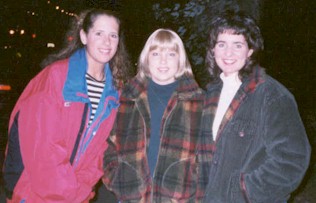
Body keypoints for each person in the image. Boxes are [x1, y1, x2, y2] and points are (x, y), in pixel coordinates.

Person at [3, 8, 131, 202]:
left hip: (76, 196)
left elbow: (101, 153)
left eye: (113, 35)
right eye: (99, 33)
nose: (107, 42)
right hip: (36, 193)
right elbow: (44, 149)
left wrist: (80, 190)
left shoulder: (114, 94)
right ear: (84, 36)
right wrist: (68, 193)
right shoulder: (56, 77)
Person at [202, 10, 311, 203]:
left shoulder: (272, 96)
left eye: (238, 45)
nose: (228, 53)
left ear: (250, 50)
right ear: (213, 50)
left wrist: (245, 191)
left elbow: (292, 160)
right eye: (222, 44)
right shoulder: (209, 94)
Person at [102, 28, 212, 202]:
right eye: (155, 54)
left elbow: (207, 159)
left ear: (180, 60)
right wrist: (118, 181)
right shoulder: (127, 97)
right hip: (132, 198)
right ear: (146, 59)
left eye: (171, 54)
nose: (163, 61)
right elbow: (108, 145)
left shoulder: (199, 101)